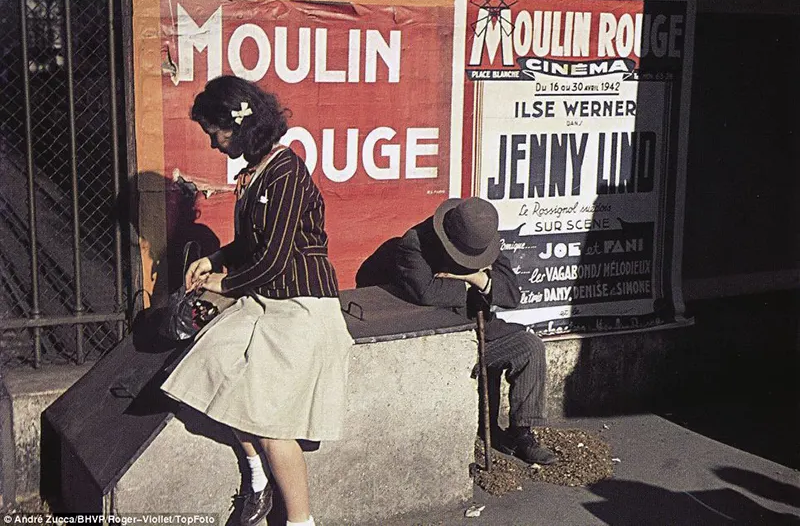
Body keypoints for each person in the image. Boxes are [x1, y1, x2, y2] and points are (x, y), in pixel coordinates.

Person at [160, 75, 352, 526]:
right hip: (267, 302)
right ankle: (257, 480)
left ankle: (301, 521)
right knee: (210, 368)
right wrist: (212, 259)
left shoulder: (286, 173)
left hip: (301, 307)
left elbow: (274, 262)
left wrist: (217, 285)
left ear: (239, 125)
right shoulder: (256, 174)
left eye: (216, 132)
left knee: (272, 429)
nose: (212, 144)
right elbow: (250, 246)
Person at [393, 197, 557, 465]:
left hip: (485, 332)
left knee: (530, 346)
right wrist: (471, 287)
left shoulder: (483, 241)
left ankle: (522, 434)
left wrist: (476, 279)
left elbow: (512, 294)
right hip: (446, 339)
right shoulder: (416, 243)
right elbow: (425, 292)